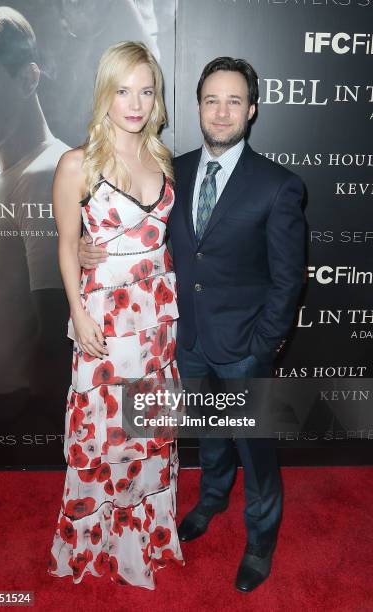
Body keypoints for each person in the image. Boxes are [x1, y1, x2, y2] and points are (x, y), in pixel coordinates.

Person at [78, 56, 306, 593]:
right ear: (197, 108)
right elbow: (138, 234)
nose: (221, 112)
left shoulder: (279, 186)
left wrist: (263, 345)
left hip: (245, 346)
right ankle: (209, 501)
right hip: (184, 339)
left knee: (256, 448)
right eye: (211, 100)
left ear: (251, 110)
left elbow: (287, 279)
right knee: (209, 436)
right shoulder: (170, 171)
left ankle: (260, 538)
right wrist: (90, 249)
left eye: (233, 101)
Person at [47, 41, 184, 589]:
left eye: (146, 91)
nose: (136, 103)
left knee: (148, 428)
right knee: (103, 433)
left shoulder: (163, 159)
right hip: (105, 317)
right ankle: (95, 539)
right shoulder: (77, 163)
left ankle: (145, 537)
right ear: (104, 93)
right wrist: (76, 311)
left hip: (156, 323)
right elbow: (65, 244)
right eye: (124, 90)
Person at [0, 0, 70, 402]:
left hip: (10, 431)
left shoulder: (44, 175)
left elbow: (56, 338)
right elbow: (4, 322)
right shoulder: (12, 176)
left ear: (28, 80)